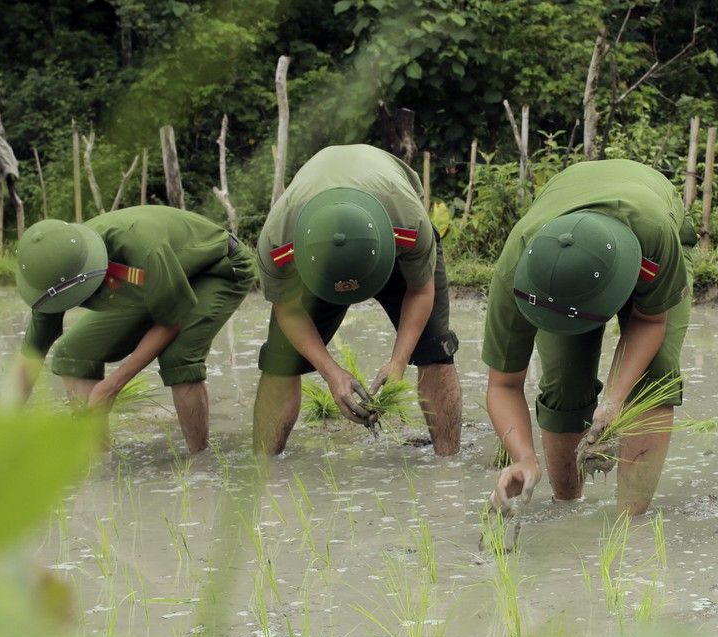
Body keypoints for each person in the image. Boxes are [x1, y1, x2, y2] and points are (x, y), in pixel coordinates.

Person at [483, 159, 694, 516]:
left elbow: (649, 321)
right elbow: (503, 384)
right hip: (564, 229)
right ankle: (567, 507)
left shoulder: (654, 234)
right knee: (565, 381)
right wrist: (523, 458)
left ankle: (630, 525)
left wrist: (613, 401)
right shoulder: (516, 270)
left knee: (654, 375)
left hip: (649, 227)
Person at [252, 144, 461, 456]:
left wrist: (398, 362)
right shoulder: (278, 242)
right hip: (316, 260)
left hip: (389, 238)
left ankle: (449, 468)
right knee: (280, 361)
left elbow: (421, 291)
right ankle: (262, 470)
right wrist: (332, 373)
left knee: (436, 350)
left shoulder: (408, 222)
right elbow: (289, 308)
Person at [12, 205, 255, 452]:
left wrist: (112, 385)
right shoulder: (49, 279)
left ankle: (200, 463)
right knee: (71, 353)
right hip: (152, 284)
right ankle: (99, 460)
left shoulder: (141, 249)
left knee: (178, 357)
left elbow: (169, 324)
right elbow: (28, 362)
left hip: (215, 268)